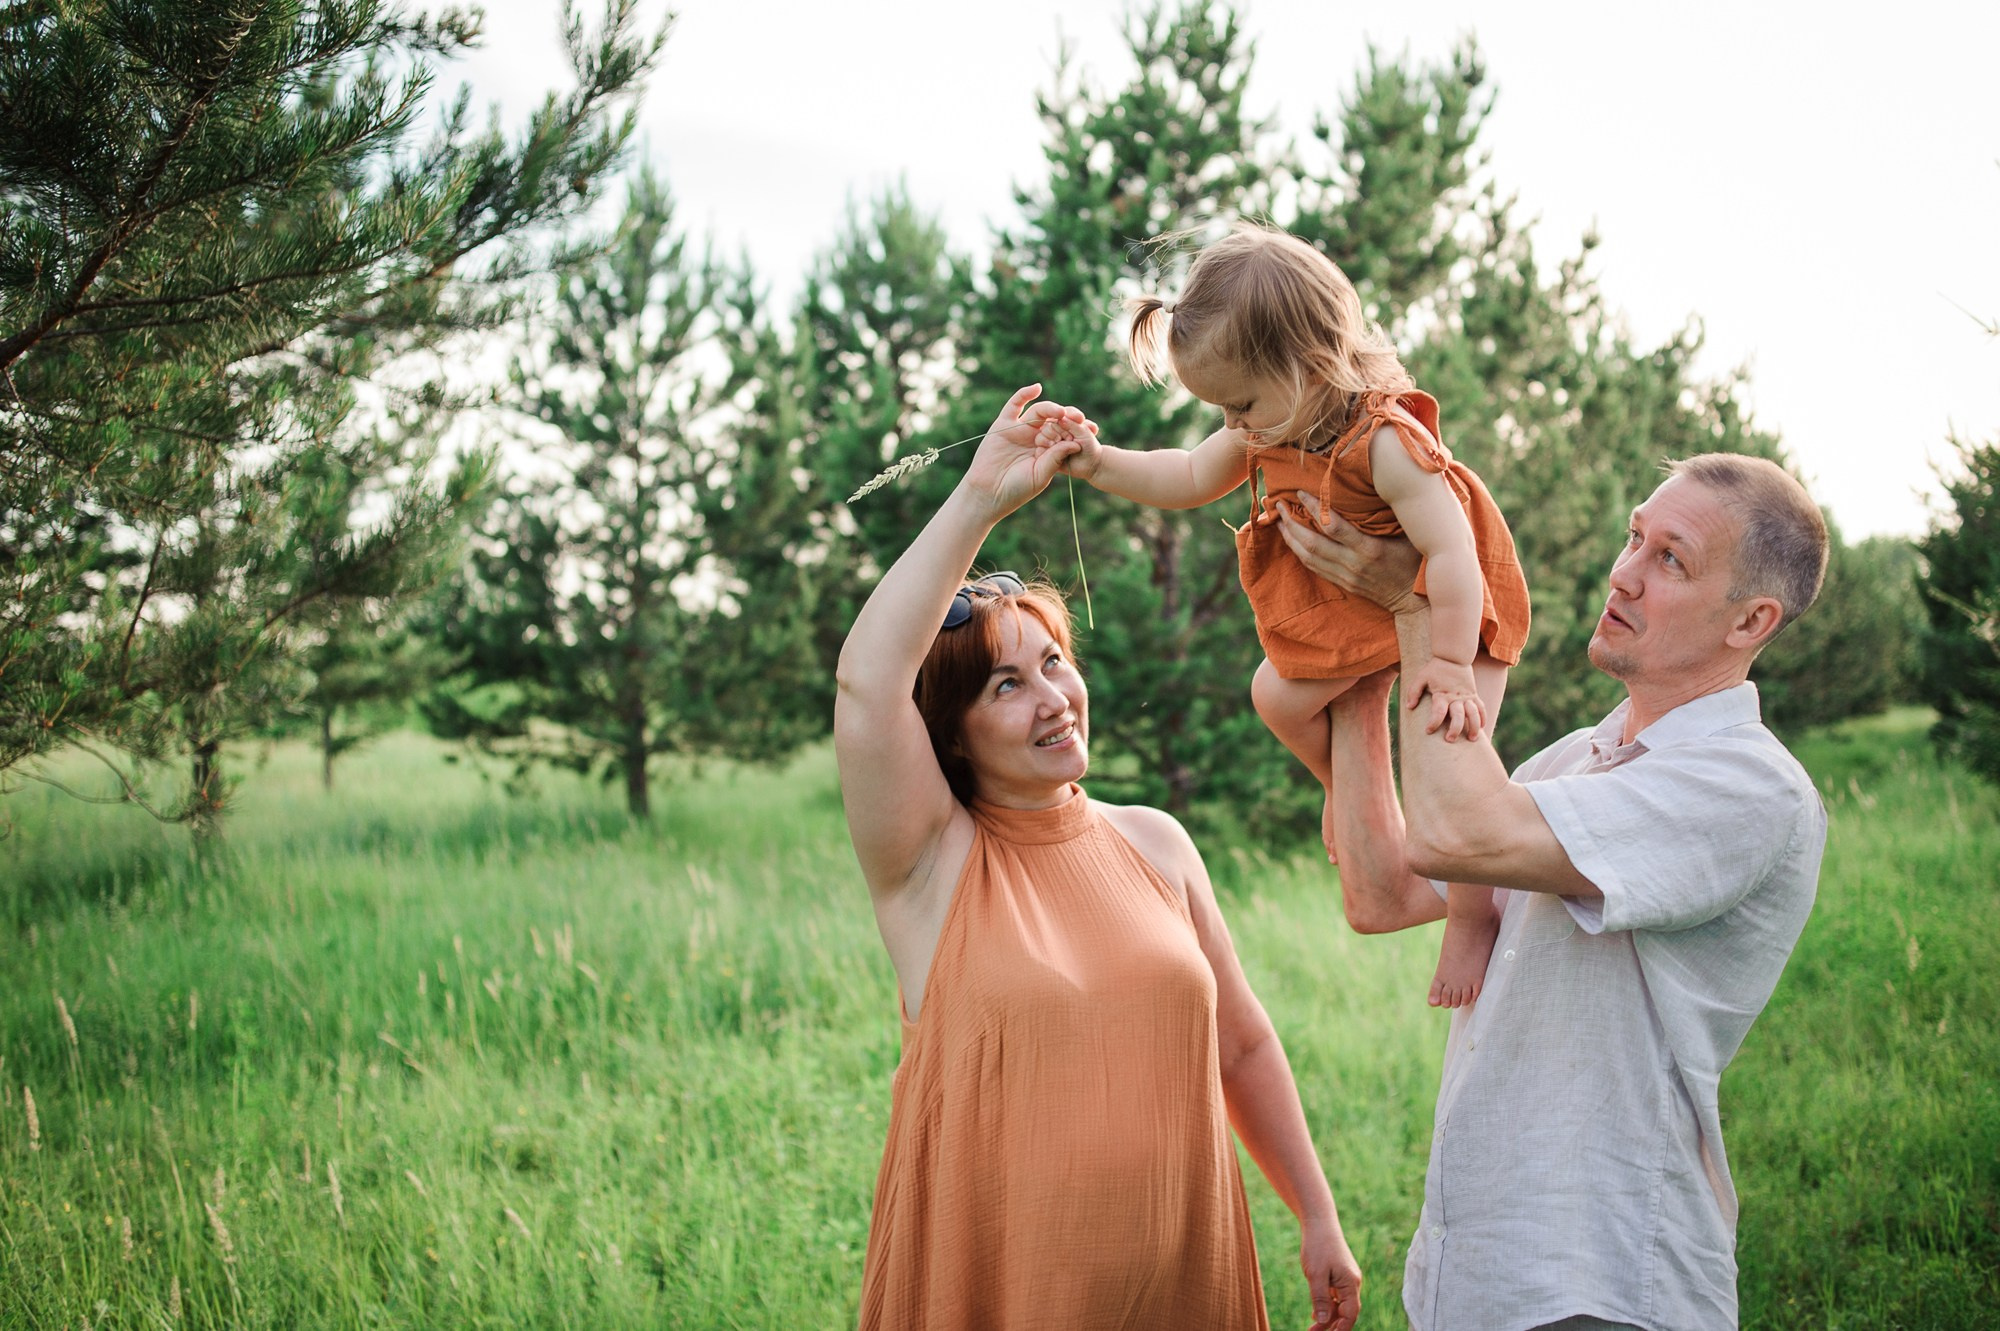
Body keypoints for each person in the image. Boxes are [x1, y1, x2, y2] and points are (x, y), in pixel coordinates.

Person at [835, 384, 1363, 1331]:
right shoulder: (931, 865)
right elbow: (870, 681)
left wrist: (1317, 1214)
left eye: (1053, 662)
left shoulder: (1156, 841)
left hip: (1184, 1278)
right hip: (1015, 1292)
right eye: (1005, 685)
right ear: (951, 734)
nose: (1052, 698)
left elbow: (1241, 1044)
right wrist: (982, 496)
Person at [1273, 452, 1830, 1331]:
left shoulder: (1749, 785)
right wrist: (1363, 676)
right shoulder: (1572, 759)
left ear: (1751, 619)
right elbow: (1384, 892)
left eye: (1670, 559)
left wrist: (1418, 609)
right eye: (1634, 536)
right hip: (1474, 1273)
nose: (1624, 573)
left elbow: (1457, 833)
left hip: (1601, 1282)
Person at [1061, 222, 1531, 1008]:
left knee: (1452, 779)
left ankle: (1471, 915)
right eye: (1222, 409)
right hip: (1366, 611)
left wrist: (1450, 664)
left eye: (1241, 403)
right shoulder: (1268, 426)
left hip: (1462, 609)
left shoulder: (1387, 441)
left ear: (1309, 365)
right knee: (1273, 695)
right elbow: (1185, 475)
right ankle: (1345, 790)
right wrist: (1098, 462)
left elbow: (1452, 553)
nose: (1233, 426)